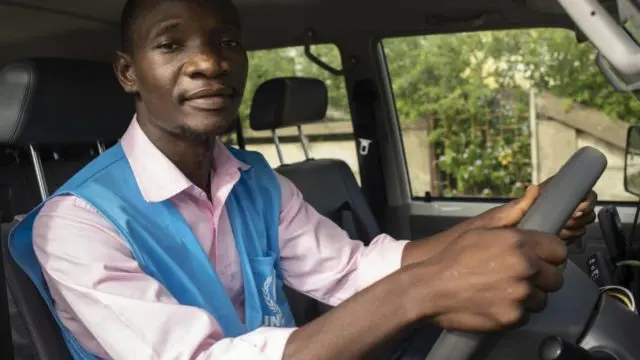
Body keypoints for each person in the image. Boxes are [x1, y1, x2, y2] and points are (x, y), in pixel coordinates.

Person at [9, 0, 597, 359]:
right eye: (171, 44)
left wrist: (498, 222)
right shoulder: (75, 226)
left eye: (228, 42)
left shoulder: (254, 180)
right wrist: (424, 290)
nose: (211, 62)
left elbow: (350, 271)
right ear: (128, 73)